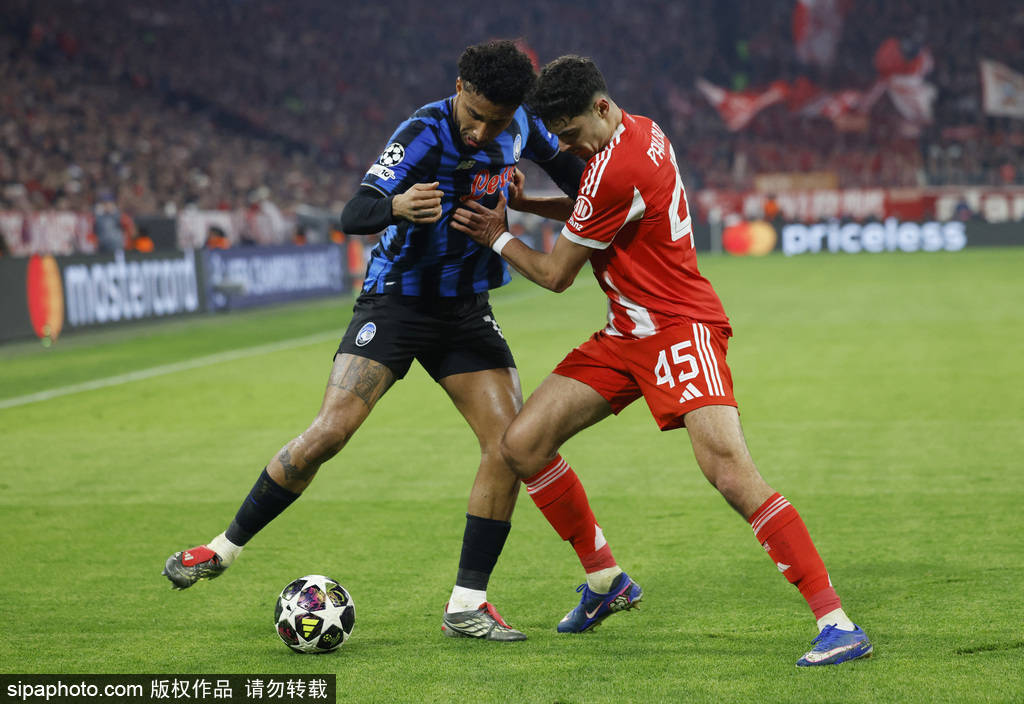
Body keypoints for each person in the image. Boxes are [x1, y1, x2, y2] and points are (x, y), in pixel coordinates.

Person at [451, 55, 872, 666]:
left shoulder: (613, 167)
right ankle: (606, 580)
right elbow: (598, 208)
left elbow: (555, 273)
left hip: (678, 328)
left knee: (730, 472)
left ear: (600, 108)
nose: (566, 148)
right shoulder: (643, 131)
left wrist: (497, 234)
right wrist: (533, 206)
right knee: (522, 444)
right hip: (626, 333)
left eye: (571, 134)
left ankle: (837, 623)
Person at [162, 40, 585, 642]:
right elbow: (354, 212)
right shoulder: (422, 132)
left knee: (508, 446)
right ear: (459, 89)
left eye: (496, 121)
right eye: (475, 116)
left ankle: (467, 605)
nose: (482, 132)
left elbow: (581, 179)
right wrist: (397, 205)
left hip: (465, 310)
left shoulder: (522, 124)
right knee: (330, 432)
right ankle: (222, 549)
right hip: (396, 303)